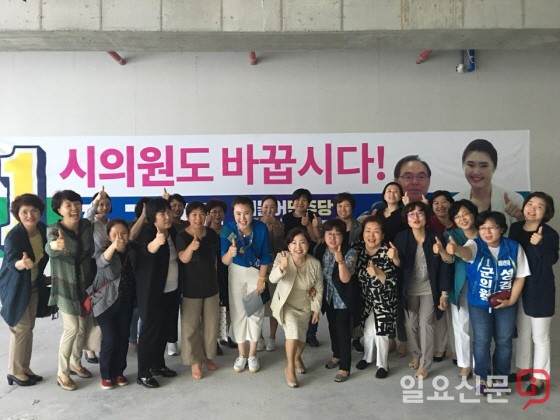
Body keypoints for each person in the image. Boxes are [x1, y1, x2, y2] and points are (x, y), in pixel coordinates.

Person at [448, 210, 530, 394]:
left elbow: (520, 276)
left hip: (506, 303)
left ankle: (500, 378)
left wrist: (511, 301)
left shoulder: (513, 247)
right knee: (481, 340)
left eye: (492, 227)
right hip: (479, 304)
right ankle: (482, 378)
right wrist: (456, 250)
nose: (487, 232)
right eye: (483, 227)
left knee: (504, 340)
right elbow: (466, 253)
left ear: (502, 229)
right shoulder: (474, 244)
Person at [393, 201, 451, 380]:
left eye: (420, 213)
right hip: (409, 289)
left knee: (426, 323)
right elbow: (398, 267)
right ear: (407, 219)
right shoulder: (401, 238)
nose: (416, 217)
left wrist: (444, 294)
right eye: (411, 214)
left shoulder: (436, 237)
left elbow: (445, 266)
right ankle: (416, 355)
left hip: (429, 289)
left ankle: (425, 364)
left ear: (426, 217)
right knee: (410, 324)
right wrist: (395, 258)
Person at [509, 192, 559, 395]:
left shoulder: (550, 234)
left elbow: (550, 261)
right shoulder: (515, 229)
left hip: (540, 289)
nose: (533, 208)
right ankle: (523, 370)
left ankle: (539, 378)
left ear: (546, 213)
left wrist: (538, 245)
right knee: (522, 331)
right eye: (530, 204)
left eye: (539, 206)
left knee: (540, 336)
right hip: (517, 286)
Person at [45, 190, 94, 391]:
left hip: (85, 284)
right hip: (65, 286)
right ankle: (62, 373)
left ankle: (75, 362)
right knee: (72, 328)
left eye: (77, 204)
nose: (74, 208)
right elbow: (50, 247)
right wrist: (55, 246)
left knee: (82, 327)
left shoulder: (86, 225)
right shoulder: (54, 229)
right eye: (68, 205)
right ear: (59, 210)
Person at [0, 194, 49, 387]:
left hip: (33, 284)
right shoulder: (14, 236)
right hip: (16, 286)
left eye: (34, 210)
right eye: (25, 212)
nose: (30, 215)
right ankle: (14, 371)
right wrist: (22, 264)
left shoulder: (42, 229)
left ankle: (24, 368)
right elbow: (12, 262)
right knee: (19, 328)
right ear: (17, 214)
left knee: (28, 327)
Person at [221, 196, 271, 373]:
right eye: (238, 213)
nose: (242, 218)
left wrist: (261, 279)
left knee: (255, 313)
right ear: (233, 214)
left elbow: (265, 256)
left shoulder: (261, 228)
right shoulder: (227, 230)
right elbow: (224, 261)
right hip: (236, 272)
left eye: (246, 213)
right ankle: (241, 354)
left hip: (255, 274)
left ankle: (252, 354)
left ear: (253, 213)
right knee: (238, 312)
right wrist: (230, 253)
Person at [134, 198, 180, 388]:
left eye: (168, 212)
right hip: (153, 293)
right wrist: (156, 242)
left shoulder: (173, 231)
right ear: (153, 216)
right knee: (149, 332)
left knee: (164, 329)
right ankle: (143, 373)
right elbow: (147, 250)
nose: (167, 216)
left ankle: (158, 365)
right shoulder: (147, 233)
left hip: (172, 290)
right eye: (162, 213)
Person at [269, 228, 323, 388]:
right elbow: (272, 279)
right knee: (292, 334)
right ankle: (290, 368)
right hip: (287, 305)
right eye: (294, 243)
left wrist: (316, 309)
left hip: (304, 306)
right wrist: (281, 267)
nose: (298, 247)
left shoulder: (314, 263)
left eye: (302, 242)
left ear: (308, 245)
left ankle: (297, 357)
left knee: (301, 341)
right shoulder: (282, 257)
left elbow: (319, 288)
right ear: (288, 245)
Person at [89, 219, 136, 390]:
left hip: (125, 302)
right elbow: (102, 262)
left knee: (123, 338)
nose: (120, 237)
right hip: (105, 304)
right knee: (110, 339)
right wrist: (114, 246)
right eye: (115, 234)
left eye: (123, 233)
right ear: (108, 237)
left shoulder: (132, 251)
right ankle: (106, 375)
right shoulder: (103, 251)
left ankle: (119, 372)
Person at [177, 201, 220, 380]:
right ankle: (195, 362)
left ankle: (207, 357)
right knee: (191, 327)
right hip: (190, 289)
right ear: (188, 217)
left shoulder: (211, 234)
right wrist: (191, 248)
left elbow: (215, 259)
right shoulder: (182, 236)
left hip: (211, 286)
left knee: (211, 326)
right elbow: (183, 258)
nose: (198, 218)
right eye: (194, 214)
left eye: (202, 214)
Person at [437, 199, 479, 378]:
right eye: (457, 216)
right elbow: (449, 261)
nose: (462, 218)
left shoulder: (485, 231)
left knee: (481, 329)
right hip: (461, 285)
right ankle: (465, 364)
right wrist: (444, 251)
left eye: (465, 214)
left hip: (483, 286)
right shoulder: (451, 234)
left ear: (474, 214)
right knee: (461, 327)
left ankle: (480, 364)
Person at [352, 216, 398, 379]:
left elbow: (392, 282)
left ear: (383, 235)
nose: (371, 235)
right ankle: (367, 357)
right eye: (368, 231)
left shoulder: (388, 251)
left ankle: (383, 364)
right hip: (365, 299)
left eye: (376, 232)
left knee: (381, 332)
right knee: (367, 330)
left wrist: (378, 272)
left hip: (384, 299)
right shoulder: (357, 249)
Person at [316, 219, 358, 383]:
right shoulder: (320, 249)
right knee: (332, 327)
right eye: (329, 234)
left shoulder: (350, 252)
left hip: (343, 298)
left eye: (337, 234)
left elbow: (345, 279)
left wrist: (340, 261)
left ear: (343, 236)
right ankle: (336, 355)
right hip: (328, 297)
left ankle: (345, 367)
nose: (332, 238)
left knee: (343, 331)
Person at [282, 188, 322, 347]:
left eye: (304, 200)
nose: (300, 203)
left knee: (312, 295)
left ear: (308, 203)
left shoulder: (313, 216)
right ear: (293, 202)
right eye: (297, 200)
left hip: (309, 262)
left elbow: (317, 239)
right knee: (295, 296)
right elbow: (285, 242)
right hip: (292, 263)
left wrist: (309, 226)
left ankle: (311, 333)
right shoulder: (286, 218)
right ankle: (294, 332)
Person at [454, 139, 524, 228]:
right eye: (471, 165)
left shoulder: (514, 200)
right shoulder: (455, 202)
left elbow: (527, 233)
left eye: (483, 166)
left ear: (494, 168)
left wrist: (521, 218)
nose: (476, 171)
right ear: (463, 166)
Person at [427, 190, 455, 363]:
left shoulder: (458, 222)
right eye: (436, 203)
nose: (440, 206)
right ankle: (440, 348)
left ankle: (457, 351)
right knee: (439, 311)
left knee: (456, 315)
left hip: (458, 271)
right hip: (437, 273)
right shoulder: (429, 224)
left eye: (444, 202)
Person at [360, 155, 431, 220]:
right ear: (396, 182)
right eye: (408, 177)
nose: (415, 182)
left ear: (429, 181)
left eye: (421, 177)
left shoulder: (435, 208)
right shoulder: (380, 209)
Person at [206, 198, 233, 353]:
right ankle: (213, 340)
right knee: (213, 307)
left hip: (227, 271)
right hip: (210, 273)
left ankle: (223, 336)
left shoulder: (227, 230)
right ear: (208, 214)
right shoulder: (205, 232)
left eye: (220, 212)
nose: (217, 215)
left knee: (226, 305)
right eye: (214, 212)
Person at [259, 195, 284, 352]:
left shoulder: (280, 225)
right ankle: (259, 336)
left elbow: (280, 247)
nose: (268, 210)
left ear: (276, 209)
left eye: (272, 207)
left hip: (274, 268)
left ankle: (272, 337)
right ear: (261, 208)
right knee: (257, 304)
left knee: (274, 304)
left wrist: (273, 229)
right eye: (266, 206)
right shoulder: (254, 223)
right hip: (257, 268)